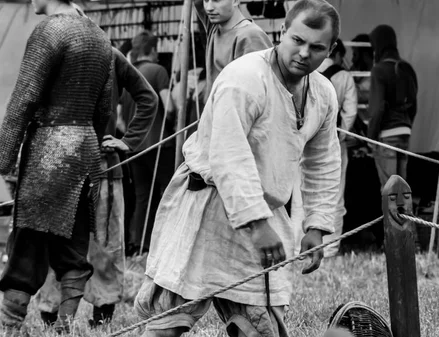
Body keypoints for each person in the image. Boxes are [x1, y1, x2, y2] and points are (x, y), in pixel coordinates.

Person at [133, 1, 342, 336]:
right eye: (297, 41)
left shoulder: (323, 94)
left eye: (316, 47)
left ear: (330, 49)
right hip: (206, 205)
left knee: (258, 329)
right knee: (167, 324)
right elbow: (229, 154)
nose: (304, 53)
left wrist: (316, 226)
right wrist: (256, 224)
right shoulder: (244, 78)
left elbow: (323, 162)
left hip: (264, 212)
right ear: (282, 32)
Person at [0, 0, 113, 333]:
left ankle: (9, 329)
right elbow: (103, 109)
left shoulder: (49, 30)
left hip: (48, 155)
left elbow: (23, 100)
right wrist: (89, 147)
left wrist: (3, 159)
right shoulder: (99, 36)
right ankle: (64, 328)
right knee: (73, 249)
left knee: (26, 249)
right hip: (86, 153)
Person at [34, 46, 159, 328]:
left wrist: (128, 140)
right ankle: (50, 318)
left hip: (104, 169)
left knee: (106, 248)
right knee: (56, 245)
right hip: (61, 170)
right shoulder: (52, 53)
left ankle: (101, 320)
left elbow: (147, 97)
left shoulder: (110, 54)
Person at [121, 31, 177, 255]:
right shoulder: (158, 71)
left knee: (142, 195)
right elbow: (170, 106)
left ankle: (140, 245)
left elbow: (118, 117)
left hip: (134, 147)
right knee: (169, 192)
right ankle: (166, 243)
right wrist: (170, 122)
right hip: (160, 144)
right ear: (153, 50)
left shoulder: (127, 75)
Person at [366, 24, 419, 250]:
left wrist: (370, 137)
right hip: (404, 133)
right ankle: (411, 240)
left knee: (388, 190)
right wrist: (406, 126)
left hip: (385, 136)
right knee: (403, 190)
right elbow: (414, 105)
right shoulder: (407, 68)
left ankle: (394, 242)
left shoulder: (378, 70)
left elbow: (376, 109)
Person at [316, 38, 357, 257]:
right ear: (338, 54)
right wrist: (342, 134)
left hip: (307, 139)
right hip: (334, 140)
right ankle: (331, 246)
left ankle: (300, 245)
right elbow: (350, 112)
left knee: (303, 191)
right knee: (335, 192)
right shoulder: (344, 77)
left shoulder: (308, 72)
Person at [193, 0, 273, 101]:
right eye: (206, 0)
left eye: (216, 0)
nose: (209, 8)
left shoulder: (250, 37)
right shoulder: (214, 27)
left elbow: (259, 96)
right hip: (217, 113)